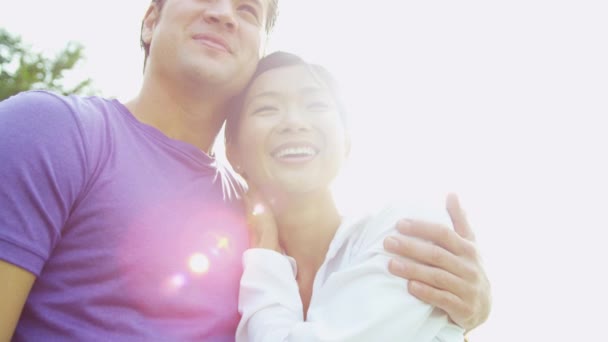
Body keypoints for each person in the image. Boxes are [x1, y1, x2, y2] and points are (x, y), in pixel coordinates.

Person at [0, 0, 490, 340]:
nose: (223, 14)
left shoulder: (262, 221)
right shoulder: (54, 130)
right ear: (150, 21)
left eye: (248, 11)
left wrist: (461, 313)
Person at [225, 51, 466, 341]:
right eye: (266, 108)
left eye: (315, 105)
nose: (295, 122)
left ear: (346, 142)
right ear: (233, 152)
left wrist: (265, 254)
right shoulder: (222, 264)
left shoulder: (408, 229)